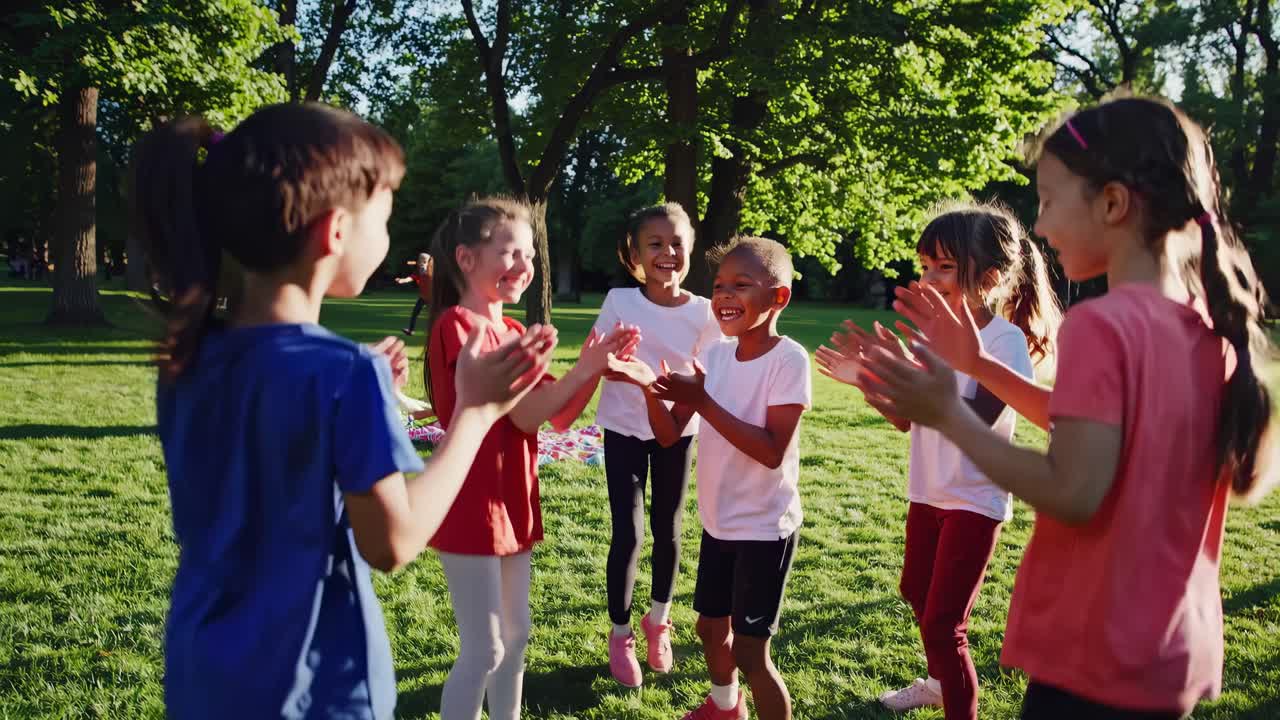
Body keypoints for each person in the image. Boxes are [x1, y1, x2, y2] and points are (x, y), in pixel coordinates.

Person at [132, 103, 556, 720]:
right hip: (312, 685)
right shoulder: (341, 373)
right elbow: (392, 542)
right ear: (333, 233)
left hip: (204, 672)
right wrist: (475, 410)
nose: (388, 242)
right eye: (383, 219)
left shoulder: (191, 361)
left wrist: (361, 398)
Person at [858, 96, 1277, 719]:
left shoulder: (1101, 328)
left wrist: (948, 412)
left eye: (1050, 201)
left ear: (1112, 203)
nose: (1043, 227)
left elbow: (1073, 488)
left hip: (1096, 646)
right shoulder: (1201, 332)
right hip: (1169, 646)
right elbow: (1077, 419)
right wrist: (976, 367)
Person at [817, 201, 1060, 719]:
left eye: (943, 267)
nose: (928, 278)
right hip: (926, 490)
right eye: (924, 266)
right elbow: (909, 419)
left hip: (974, 498)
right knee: (914, 591)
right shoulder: (930, 334)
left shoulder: (1003, 340)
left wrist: (888, 379)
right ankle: (937, 680)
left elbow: (977, 415)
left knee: (943, 624)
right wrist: (869, 380)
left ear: (989, 276)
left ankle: (955, 698)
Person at [424, 196, 639, 720]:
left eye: (531, 257)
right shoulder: (459, 325)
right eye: (510, 253)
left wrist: (595, 369)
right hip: (470, 504)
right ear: (467, 259)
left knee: (515, 641)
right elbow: (523, 415)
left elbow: (557, 416)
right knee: (484, 649)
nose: (524, 267)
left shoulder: (516, 332)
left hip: (512, 501)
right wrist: (583, 367)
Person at [590, 202, 721, 686]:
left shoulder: (706, 313)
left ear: (691, 250)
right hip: (623, 428)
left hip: (679, 433)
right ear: (635, 255)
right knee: (628, 532)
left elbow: (704, 380)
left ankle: (658, 621)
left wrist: (671, 398)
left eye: (677, 243)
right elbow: (596, 359)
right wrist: (613, 362)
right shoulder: (620, 302)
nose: (668, 252)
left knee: (668, 528)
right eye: (656, 244)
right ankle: (621, 632)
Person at [395, 252, 433, 335]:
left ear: (428, 261)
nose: (420, 262)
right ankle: (410, 330)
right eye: (419, 260)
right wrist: (402, 280)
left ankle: (436, 332)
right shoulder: (419, 271)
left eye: (423, 260)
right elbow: (411, 277)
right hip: (423, 297)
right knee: (415, 313)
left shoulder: (432, 270)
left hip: (432, 298)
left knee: (434, 316)